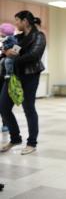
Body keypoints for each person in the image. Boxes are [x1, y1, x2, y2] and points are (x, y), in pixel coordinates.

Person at [0, 11, 46, 155]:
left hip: (30, 76)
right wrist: (6, 53)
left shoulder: (38, 36)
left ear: (25, 21)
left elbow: (34, 55)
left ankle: (32, 143)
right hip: (14, 76)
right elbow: (10, 51)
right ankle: (15, 138)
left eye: (17, 21)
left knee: (28, 108)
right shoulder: (19, 38)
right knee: (3, 106)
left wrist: (13, 57)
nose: (16, 24)